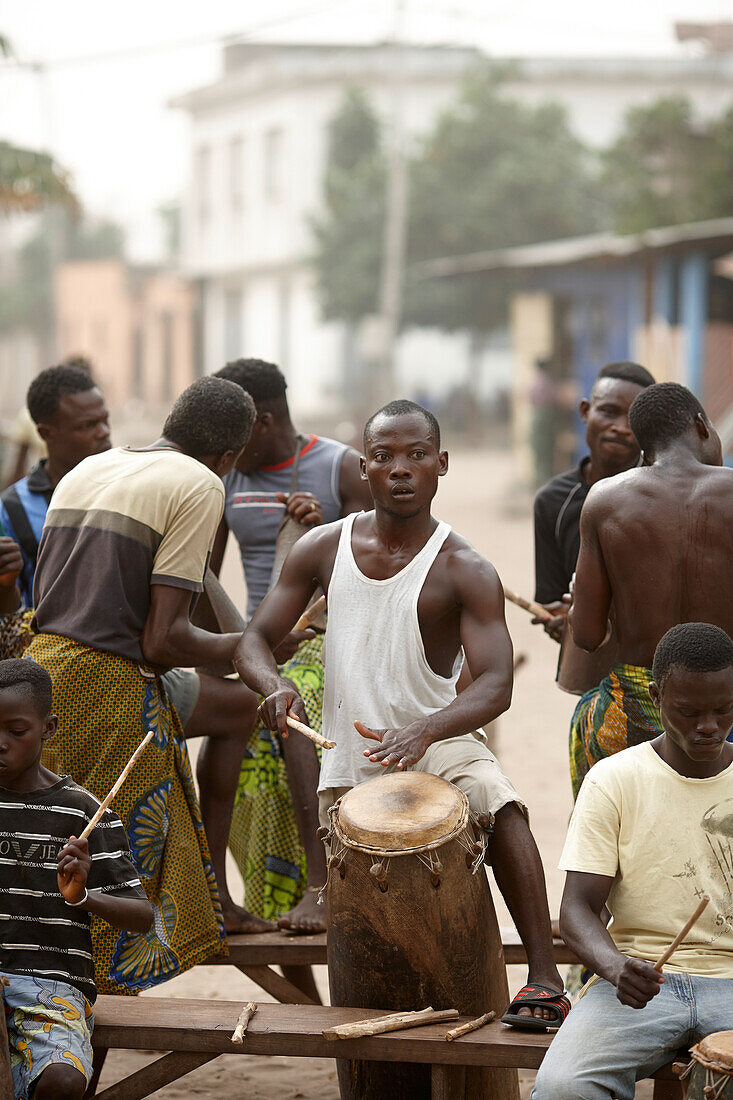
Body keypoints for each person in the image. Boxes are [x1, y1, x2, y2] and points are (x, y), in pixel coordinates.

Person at [235, 399, 569, 1027]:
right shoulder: (320, 548)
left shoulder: (465, 568)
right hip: (347, 758)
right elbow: (252, 642)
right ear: (364, 469)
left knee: (498, 800)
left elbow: (496, 684)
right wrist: (273, 685)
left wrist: (426, 730)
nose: (401, 468)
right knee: (373, 958)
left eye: (417, 454)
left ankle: (545, 980)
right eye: (384, 456)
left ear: (442, 464)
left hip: (438, 743)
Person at [25, 377, 269, 999]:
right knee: (113, 862)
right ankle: (86, 1021)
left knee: (54, 845)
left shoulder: (89, 469)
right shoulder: (200, 484)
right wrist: (247, 648)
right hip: (109, 691)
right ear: (230, 457)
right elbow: (162, 641)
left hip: (43, 676)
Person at [532, 622, 733, 1100]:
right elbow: (577, 908)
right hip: (638, 983)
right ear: (657, 697)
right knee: (563, 1088)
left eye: (724, 710)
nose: (708, 726)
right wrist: (616, 966)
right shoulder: (614, 780)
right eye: (688, 712)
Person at [210, 358, 373, 934]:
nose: (222, 446)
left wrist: (324, 529)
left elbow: (381, 570)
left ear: (264, 421)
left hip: (332, 638)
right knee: (237, 720)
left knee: (295, 698)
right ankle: (244, 894)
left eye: (233, 433)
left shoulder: (340, 468)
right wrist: (239, 644)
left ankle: (321, 885)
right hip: (262, 642)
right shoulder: (225, 479)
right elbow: (205, 581)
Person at [569, 382, 733, 795]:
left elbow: (586, 636)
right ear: (701, 426)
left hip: (638, 706)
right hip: (726, 705)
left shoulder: (605, 499)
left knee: (587, 719)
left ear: (644, 452)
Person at [0, 657, 153, 1100]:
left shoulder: (83, 813)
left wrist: (83, 896)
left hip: (51, 987)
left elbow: (142, 917)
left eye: (16, 730)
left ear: (48, 728)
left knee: (64, 1082)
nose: (0, 743)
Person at [533, 361, 655, 635]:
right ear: (585, 411)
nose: (621, 428)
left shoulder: (663, 496)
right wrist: (562, 619)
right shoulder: (553, 502)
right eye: (609, 412)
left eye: (634, 418)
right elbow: (552, 603)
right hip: (583, 670)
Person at [0, 364, 111, 607]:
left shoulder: (127, 490)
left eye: (105, 420)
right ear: (46, 433)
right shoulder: (12, 509)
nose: (104, 432)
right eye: (87, 425)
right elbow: (10, 613)